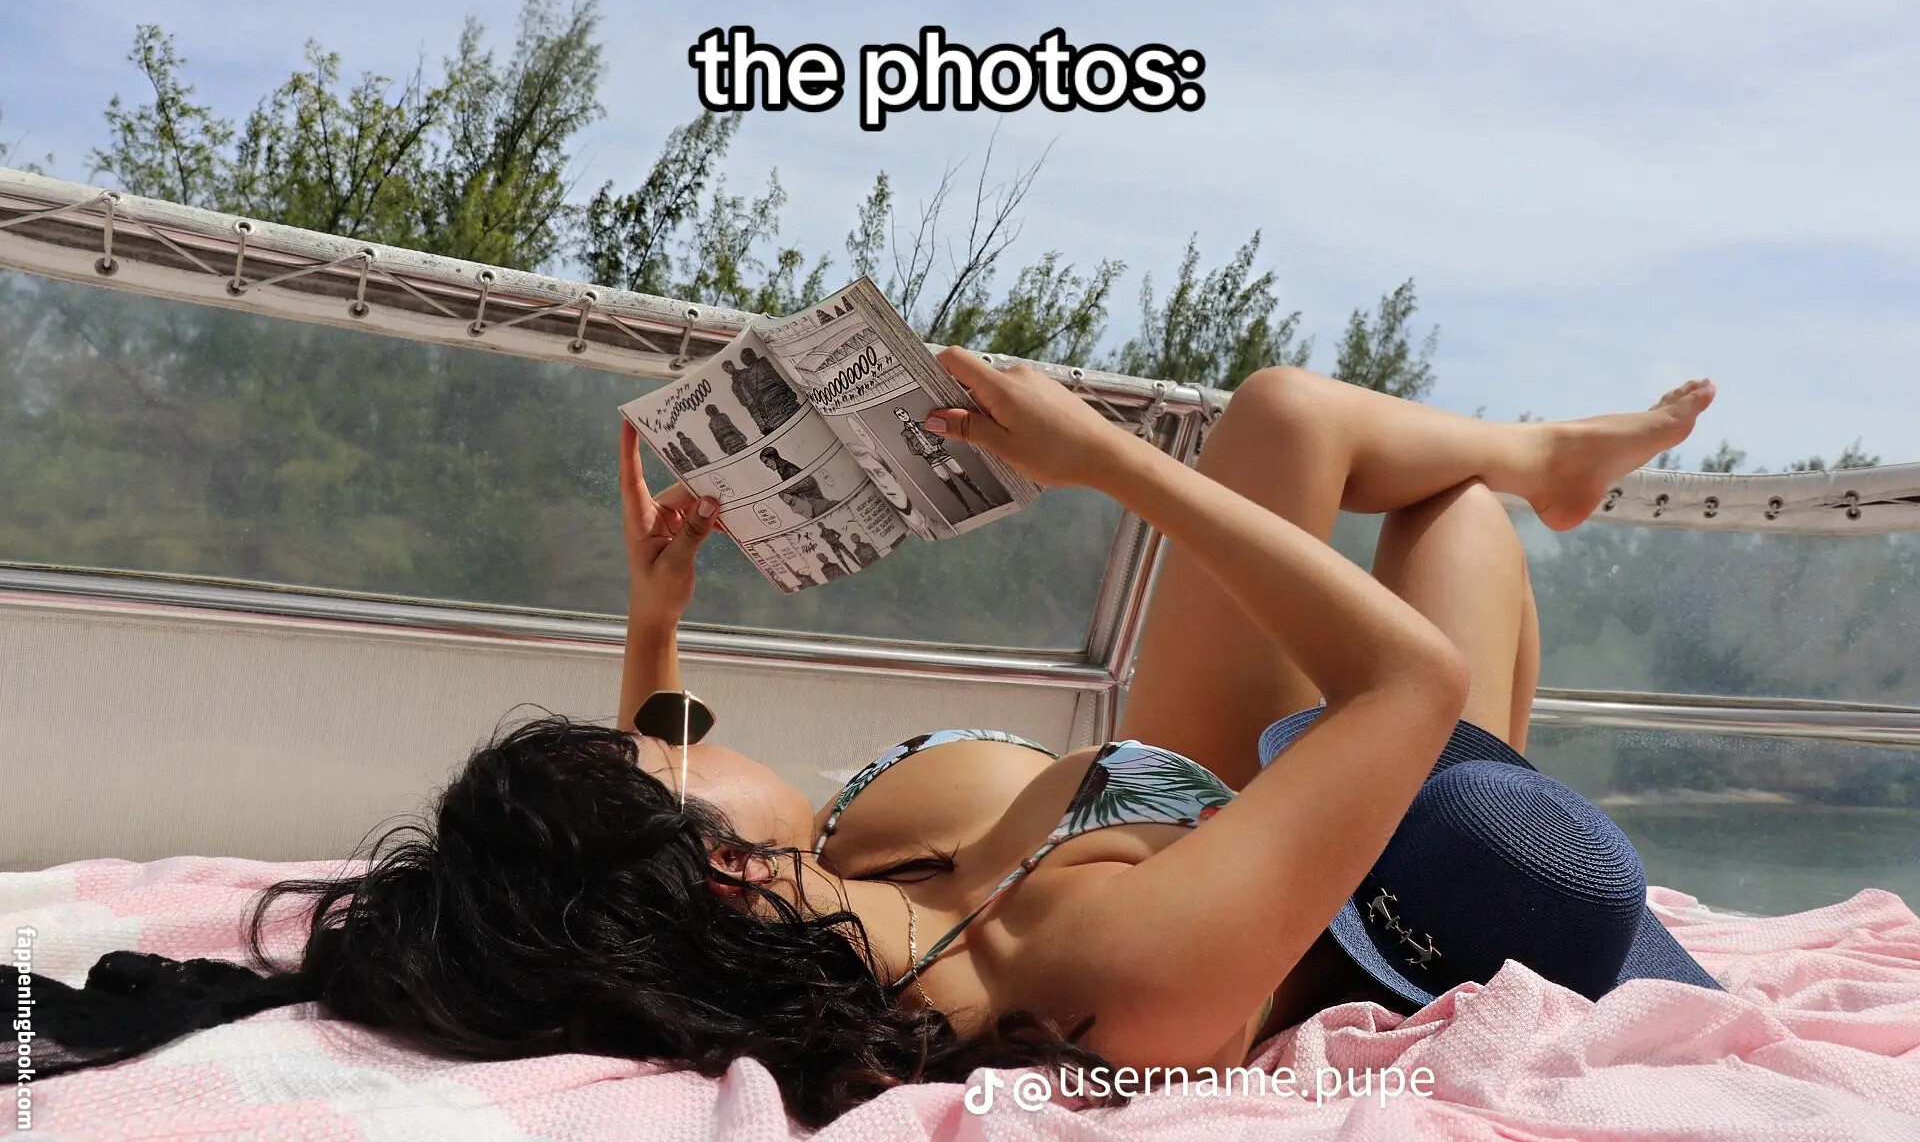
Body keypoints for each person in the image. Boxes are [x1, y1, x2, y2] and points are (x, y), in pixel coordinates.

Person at [32, 354, 1723, 1128]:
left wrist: (654, 615)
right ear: (718, 873)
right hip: (1397, 856)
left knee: (1284, 411)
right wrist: (1106, 465)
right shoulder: (1095, 974)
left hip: (1179, 787)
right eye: (661, 760)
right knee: (1452, 525)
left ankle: (1543, 454)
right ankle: (1532, 469)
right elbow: (1407, 685)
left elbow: (645, 800)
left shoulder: (818, 887)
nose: (672, 731)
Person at [893, 406, 995, 516]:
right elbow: (912, 450)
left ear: (906, 412)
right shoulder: (905, 434)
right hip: (931, 459)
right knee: (949, 483)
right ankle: (969, 510)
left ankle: (988, 502)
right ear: (898, 418)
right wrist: (923, 452)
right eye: (899, 415)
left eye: (903, 412)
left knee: (963, 476)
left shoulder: (923, 424)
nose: (902, 415)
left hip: (942, 452)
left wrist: (937, 444)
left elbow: (940, 435)